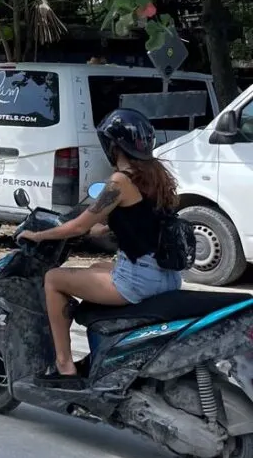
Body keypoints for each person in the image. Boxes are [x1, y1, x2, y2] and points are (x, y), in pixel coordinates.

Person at [16, 108, 182, 387]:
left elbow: (78, 226)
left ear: (113, 145)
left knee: (53, 278)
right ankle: (104, 350)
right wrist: (105, 229)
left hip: (138, 282)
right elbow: (144, 220)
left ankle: (64, 365)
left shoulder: (120, 181)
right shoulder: (156, 175)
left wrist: (39, 235)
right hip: (167, 276)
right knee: (96, 266)